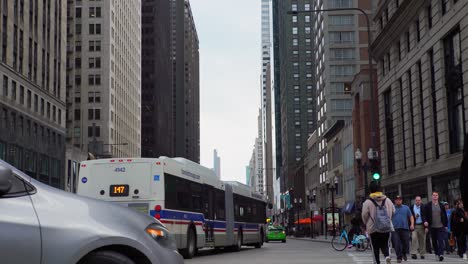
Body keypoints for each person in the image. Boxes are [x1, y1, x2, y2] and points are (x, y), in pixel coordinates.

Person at [362, 181, 395, 264]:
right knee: (385, 245)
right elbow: (394, 211)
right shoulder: (388, 200)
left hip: (373, 229)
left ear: (370, 190)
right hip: (386, 228)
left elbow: (364, 215)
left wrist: (366, 223)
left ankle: (377, 262)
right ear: (379, 189)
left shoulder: (368, 202)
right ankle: (387, 256)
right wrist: (388, 219)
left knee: (375, 248)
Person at [423, 191, 448, 261]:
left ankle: (441, 254)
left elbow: (445, 216)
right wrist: (425, 222)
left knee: (440, 240)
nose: (435, 197)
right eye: (433, 195)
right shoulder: (428, 205)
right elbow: (424, 215)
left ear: (438, 197)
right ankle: (437, 253)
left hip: (440, 226)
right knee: (434, 241)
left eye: (436, 195)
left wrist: (445, 225)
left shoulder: (441, 205)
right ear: (431, 197)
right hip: (432, 227)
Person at [391, 195, 414, 263]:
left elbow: (411, 216)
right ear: (395, 201)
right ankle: (399, 257)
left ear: (402, 200)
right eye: (397, 200)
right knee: (397, 243)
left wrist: (412, 224)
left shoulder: (406, 208)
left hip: (405, 228)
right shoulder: (392, 208)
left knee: (406, 243)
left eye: (400, 199)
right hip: (395, 229)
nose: (399, 201)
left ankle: (404, 253)